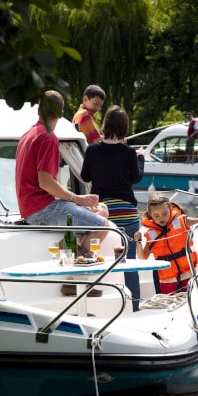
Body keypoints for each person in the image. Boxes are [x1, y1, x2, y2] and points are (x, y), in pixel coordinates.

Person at [15, 90, 110, 296]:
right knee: (104, 226)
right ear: (61, 113)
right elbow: (45, 182)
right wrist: (78, 198)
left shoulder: (27, 135)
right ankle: (74, 280)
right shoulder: (48, 137)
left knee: (101, 209)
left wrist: (78, 202)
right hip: (42, 208)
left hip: (30, 208)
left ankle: (71, 262)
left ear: (39, 110)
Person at [80, 105, 145, 311]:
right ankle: (133, 307)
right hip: (127, 212)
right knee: (129, 262)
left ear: (105, 125)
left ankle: (101, 307)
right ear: (124, 127)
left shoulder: (92, 149)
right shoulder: (128, 152)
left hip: (103, 212)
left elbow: (85, 177)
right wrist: (140, 158)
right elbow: (136, 178)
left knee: (101, 259)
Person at [134, 194, 198, 295]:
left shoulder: (182, 221)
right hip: (167, 283)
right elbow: (143, 260)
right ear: (150, 215)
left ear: (170, 208)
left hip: (188, 277)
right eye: (156, 216)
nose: (161, 218)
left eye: (165, 213)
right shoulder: (151, 235)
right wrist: (138, 242)